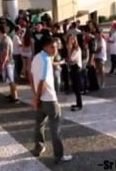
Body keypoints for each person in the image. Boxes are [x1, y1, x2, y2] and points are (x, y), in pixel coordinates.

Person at [30, 35, 72, 164]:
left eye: (56, 47)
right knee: (55, 128)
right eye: (52, 47)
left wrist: (35, 95)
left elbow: (31, 77)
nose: (55, 49)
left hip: (40, 97)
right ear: (45, 47)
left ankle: (39, 147)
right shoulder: (46, 60)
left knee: (39, 125)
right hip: (49, 99)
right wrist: (37, 98)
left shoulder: (36, 57)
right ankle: (59, 155)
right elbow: (42, 81)